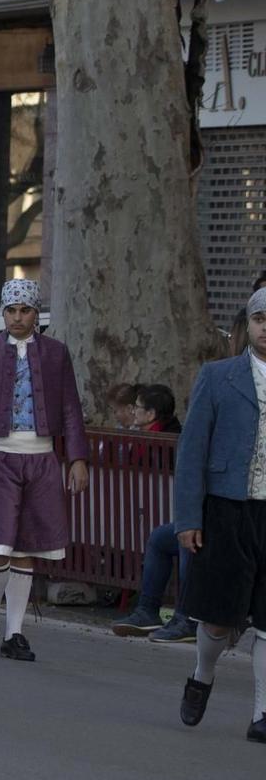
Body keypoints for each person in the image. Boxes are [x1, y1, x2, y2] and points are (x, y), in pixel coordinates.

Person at [0, 278, 90, 664]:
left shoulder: (56, 353)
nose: (17, 317)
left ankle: (14, 631)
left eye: (25, 310)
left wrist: (77, 458)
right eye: (11, 310)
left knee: (28, 546)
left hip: (42, 456)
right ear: (3, 312)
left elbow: (69, 408)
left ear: (36, 313)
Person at [173, 287, 266, 743]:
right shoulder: (218, 376)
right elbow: (192, 453)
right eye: (260, 319)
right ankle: (202, 674)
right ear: (247, 326)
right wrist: (188, 518)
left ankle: (262, 713)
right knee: (217, 618)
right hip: (227, 510)